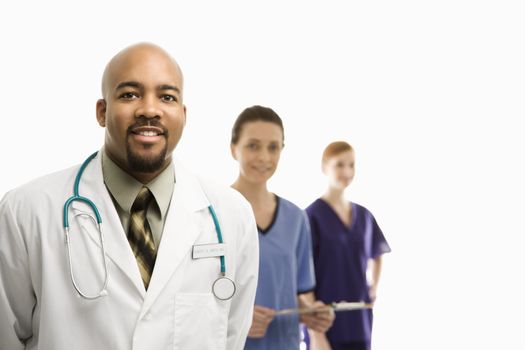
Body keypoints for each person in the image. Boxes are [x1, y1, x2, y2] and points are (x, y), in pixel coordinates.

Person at [0, 42, 259, 350]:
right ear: (102, 111)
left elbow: (231, 336)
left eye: (167, 97)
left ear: (183, 114)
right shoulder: (27, 211)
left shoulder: (232, 215)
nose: (149, 109)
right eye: (129, 94)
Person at [229, 105, 334, 350]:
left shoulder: (296, 218)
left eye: (273, 147)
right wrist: (239, 317)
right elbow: (194, 298)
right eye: (253, 146)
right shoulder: (213, 212)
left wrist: (311, 313)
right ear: (234, 149)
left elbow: (301, 292)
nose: (264, 157)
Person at [305, 141, 391, 350]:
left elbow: (377, 252)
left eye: (351, 165)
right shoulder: (311, 216)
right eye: (339, 165)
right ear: (324, 167)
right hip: (325, 321)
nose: (347, 171)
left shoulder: (364, 216)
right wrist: (316, 333)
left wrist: (374, 287)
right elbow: (301, 275)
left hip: (360, 317)